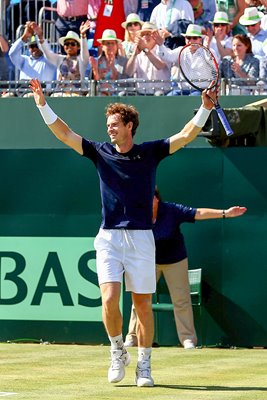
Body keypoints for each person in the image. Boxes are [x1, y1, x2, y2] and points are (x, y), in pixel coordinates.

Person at [29, 76, 217, 387]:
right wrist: (42, 105)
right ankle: (117, 350)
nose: (110, 129)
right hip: (109, 237)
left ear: (130, 125)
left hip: (142, 237)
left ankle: (144, 364)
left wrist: (204, 109)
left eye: (115, 124)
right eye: (108, 125)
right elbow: (64, 133)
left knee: (142, 304)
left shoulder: (151, 152)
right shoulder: (100, 152)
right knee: (109, 299)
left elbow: (185, 136)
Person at [124, 188, 247, 349]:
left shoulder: (172, 210)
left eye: (149, 197)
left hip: (175, 261)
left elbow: (199, 213)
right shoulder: (137, 214)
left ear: (157, 199)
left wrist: (225, 213)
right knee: (140, 299)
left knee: (181, 299)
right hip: (147, 261)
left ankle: (188, 339)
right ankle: (133, 337)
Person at [34, 21, 90, 96]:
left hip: (77, 95)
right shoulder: (59, 59)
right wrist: (40, 37)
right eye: (66, 44)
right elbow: (47, 52)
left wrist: (83, 35)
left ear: (78, 46)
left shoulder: (82, 60)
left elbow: (85, 51)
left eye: (73, 44)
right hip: (60, 94)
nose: (69, 46)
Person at [154, 24, 204, 95]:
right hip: (181, 90)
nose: (191, 41)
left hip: (198, 91)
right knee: (167, 100)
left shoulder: (207, 53)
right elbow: (167, 56)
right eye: (188, 38)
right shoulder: (181, 50)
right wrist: (160, 45)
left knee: (193, 97)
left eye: (194, 38)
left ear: (200, 39)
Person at [125, 21, 172, 95]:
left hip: (162, 95)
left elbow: (160, 66)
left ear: (156, 36)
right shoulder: (139, 54)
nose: (145, 37)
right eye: (143, 34)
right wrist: (134, 54)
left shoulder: (163, 50)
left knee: (158, 94)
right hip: (141, 95)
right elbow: (128, 72)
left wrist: (145, 50)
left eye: (148, 34)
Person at [8, 21, 56, 93]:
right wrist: (24, 37)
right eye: (32, 46)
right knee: (7, 97)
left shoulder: (49, 60)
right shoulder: (24, 60)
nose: (34, 48)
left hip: (42, 94)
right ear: (28, 48)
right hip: (23, 93)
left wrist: (40, 36)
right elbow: (12, 54)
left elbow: (47, 51)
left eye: (37, 46)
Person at [89, 29, 130, 96]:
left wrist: (113, 67)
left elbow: (125, 82)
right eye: (107, 43)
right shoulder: (97, 62)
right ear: (102, 46)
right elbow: (94, 83)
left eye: (113, 43)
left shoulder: (124, 62)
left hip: (119, 94)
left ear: (117, 46)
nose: (110, 46)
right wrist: (95, 70)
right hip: (101, 93)